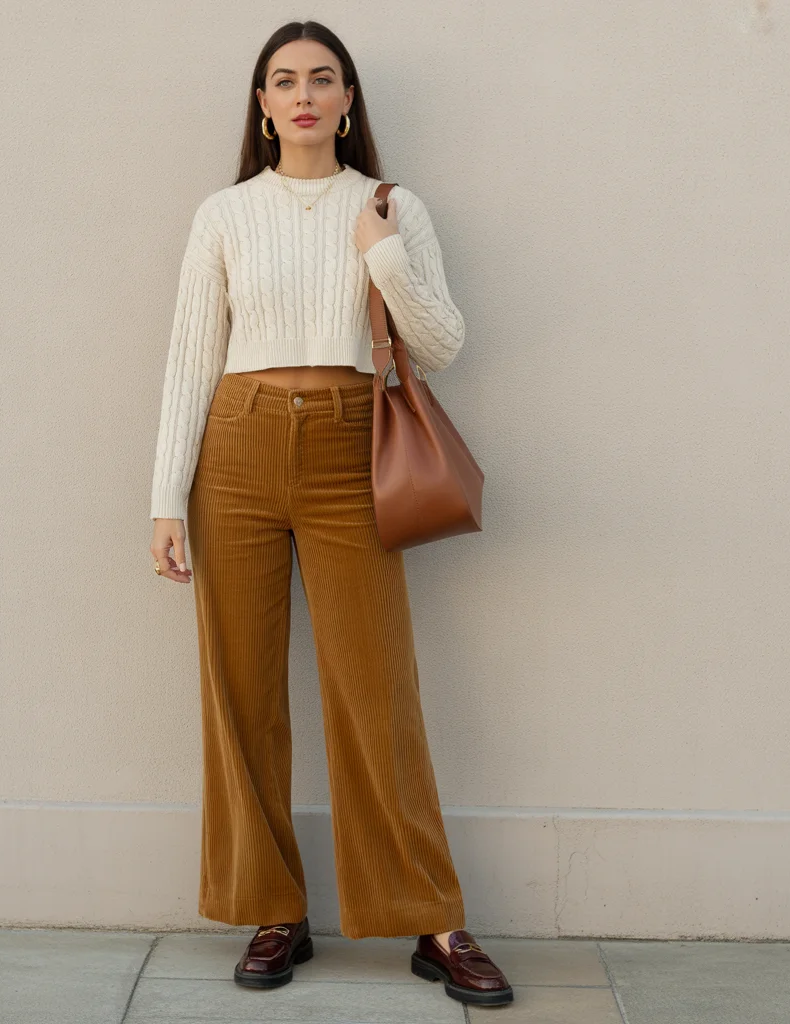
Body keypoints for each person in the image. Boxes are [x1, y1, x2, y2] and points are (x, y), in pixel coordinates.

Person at [148, 20, 513, 1009]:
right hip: (237, 445)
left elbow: (440, 344)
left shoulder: (390, 206)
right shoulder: (223, 214)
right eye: (282, 80)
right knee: (241, 692)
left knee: (375, 691)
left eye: (321, 78)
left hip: (356, 443)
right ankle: (275, 908)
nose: (302, 94)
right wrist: (163, 499)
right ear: (261, 105)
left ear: (347, 99)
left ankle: (433, 918)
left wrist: (384, 259)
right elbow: (190, 357)